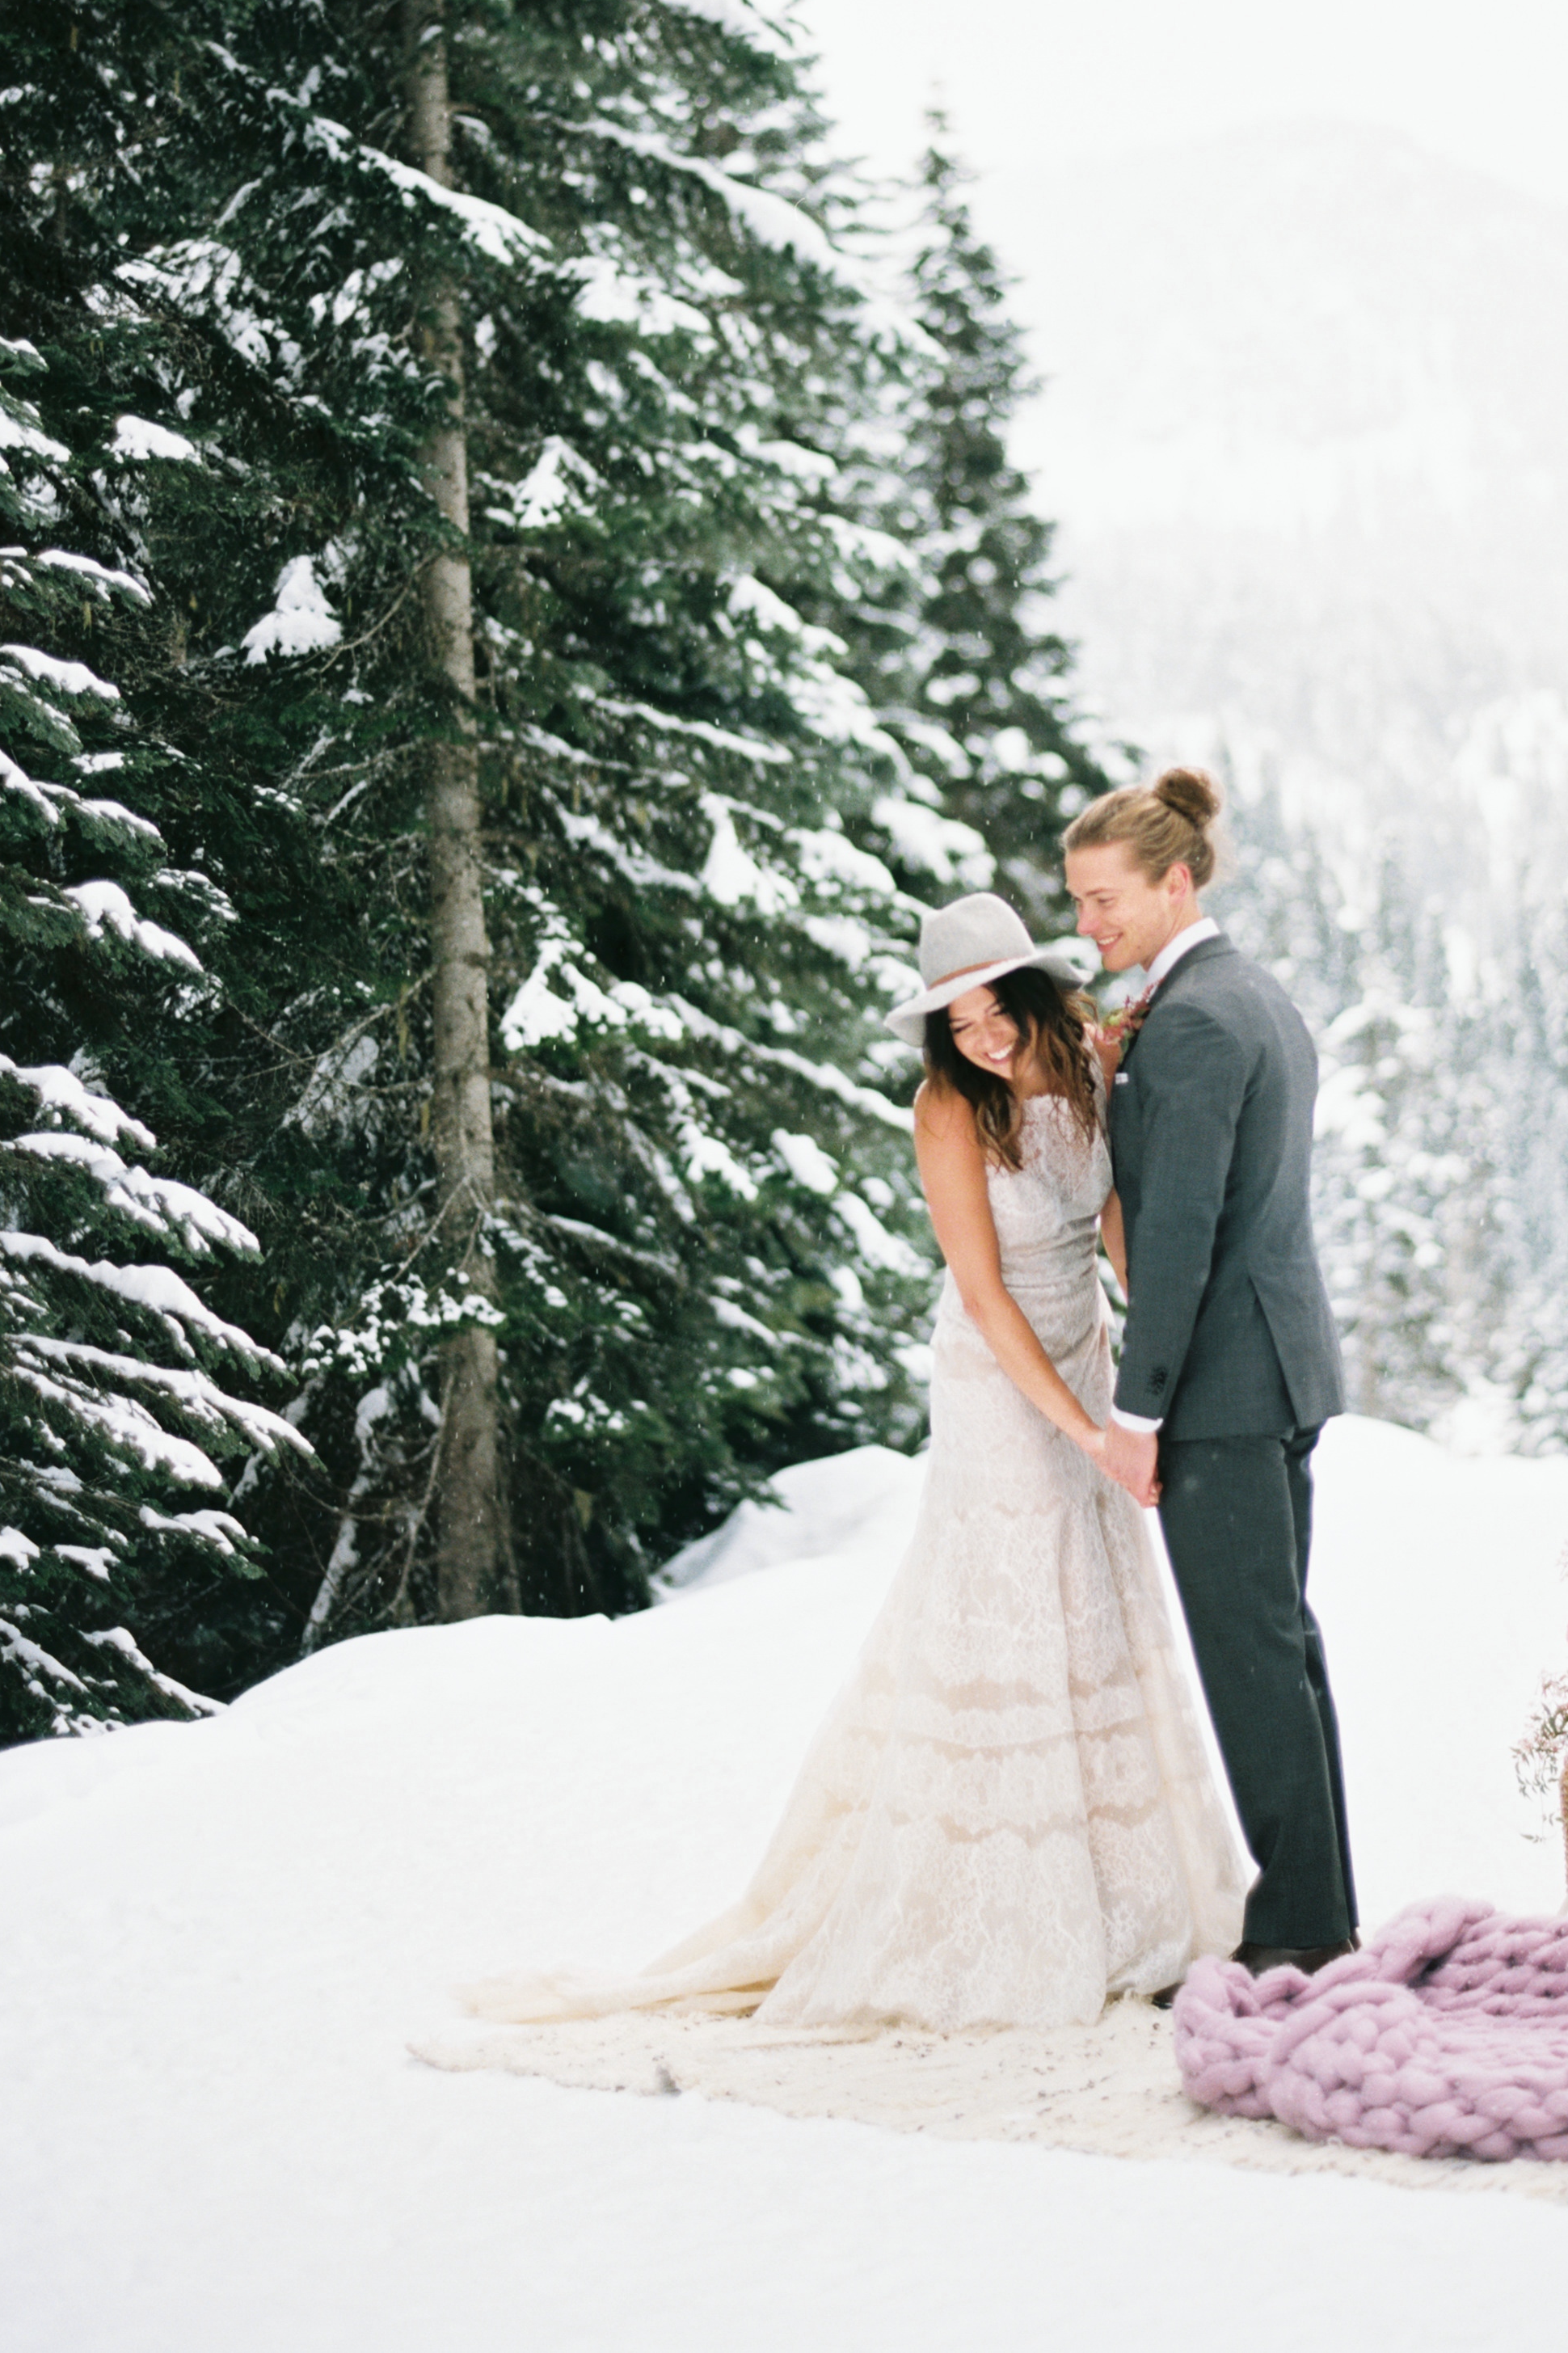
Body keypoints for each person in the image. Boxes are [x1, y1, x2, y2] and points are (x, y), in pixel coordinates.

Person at [478, 894, 1246, 2034]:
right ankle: (1004, 1908)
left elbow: (1116, 1224)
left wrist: (1157, 1366)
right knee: (1015, 1604)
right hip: (998, 1382)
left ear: (1035, 995)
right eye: (960, 1021)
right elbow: (983, 1297)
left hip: (1085, 1354)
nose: (985, 1037)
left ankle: (1128, 1901)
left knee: (1096, 1594)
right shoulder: (947, 1106)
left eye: (998, 1011)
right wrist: (1085, 1436)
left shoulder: (1087, 1061)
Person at [1062, 768, 1358, 1978]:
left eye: (1105, 898)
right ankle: (1318, 1913)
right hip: (1280, 1366)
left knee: (1252, 1658)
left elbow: (1176, 1237)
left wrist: (1138, 1412)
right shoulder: (1254, 996)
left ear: (1176, 880)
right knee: (1280, 1647)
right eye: (1077, 903)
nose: (1089, 923)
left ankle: (1296, 1929)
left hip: (1225, 1389)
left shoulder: (1189, 1021)